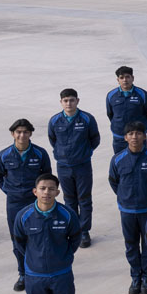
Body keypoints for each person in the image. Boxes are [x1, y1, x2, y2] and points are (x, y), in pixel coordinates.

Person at [108, 122, 147, 294]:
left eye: (138, 133)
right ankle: (136, 276)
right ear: (125, 138)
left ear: (145, 136)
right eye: (131, 133)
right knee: (131, 244)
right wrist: (123, 196)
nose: (135, 137)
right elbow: (114, 181)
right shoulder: (118, 159)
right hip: (127, 211)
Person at [0, 119, 53, 292]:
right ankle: (23, 273)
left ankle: (41, 269)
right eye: (18, 132)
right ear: (13, 134)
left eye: (25, 132)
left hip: (35, 202)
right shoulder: (4, 155)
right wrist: (9, 191)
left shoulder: (40, 153)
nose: (22, 135)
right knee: (17, 238)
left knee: (40, 236)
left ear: (30, 134)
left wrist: (41, 196)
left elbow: (47, 176)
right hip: (14, 203)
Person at [47, 88, 102, 248]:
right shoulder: (55, 120)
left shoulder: (87, 119)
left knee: (84, 199)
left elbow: (95, 139)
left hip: (82, 165)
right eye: (65, 100)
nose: (69, 103)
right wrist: (62, 154)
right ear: (61, 102)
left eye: (72, 100)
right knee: (69, 199)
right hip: (63, 166)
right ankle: (72, 228)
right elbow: (53, 139)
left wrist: (84, 153)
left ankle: (84, 231)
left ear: (77, 101)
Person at [105, 66, 147, 155]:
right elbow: (110, 114)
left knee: (140, 160)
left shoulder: (142, 94)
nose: (125, 80)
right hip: (119, 137)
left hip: (137, 137)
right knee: (120, 162)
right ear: (118, 80)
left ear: (132, 78)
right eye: (121, 77)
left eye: (127, 77)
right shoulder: (111, 95)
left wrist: (141, 129)